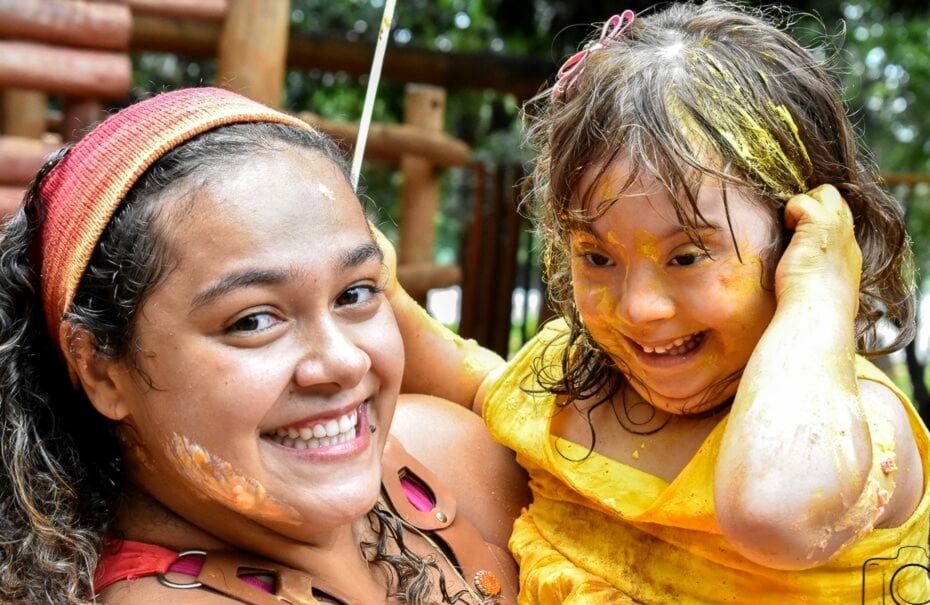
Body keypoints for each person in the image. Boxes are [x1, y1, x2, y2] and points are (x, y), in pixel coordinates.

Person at [386, 3, 930, 603]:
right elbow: (472, 385)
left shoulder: (853, 426)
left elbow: (776, 514)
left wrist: (821, 294)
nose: (639, 307)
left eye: (689, 256)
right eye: (597, 257)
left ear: (799, 239)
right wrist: (371, 275)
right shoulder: (577, 384)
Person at [0, 87, 529, 605]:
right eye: (253, 321)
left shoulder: (453, 452)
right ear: (100, 370)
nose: (344, 361)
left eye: (357, 292)